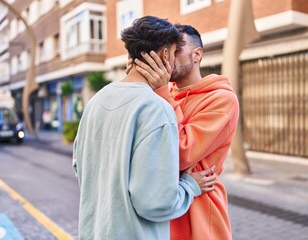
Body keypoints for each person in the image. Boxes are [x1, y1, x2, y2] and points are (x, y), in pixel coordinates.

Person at [72, 17, 216, 240]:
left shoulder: (96, 101)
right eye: (174, 52)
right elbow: (154, 202)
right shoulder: (156, 108)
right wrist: (189, 186)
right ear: (166, 55)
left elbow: (79, 166)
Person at [132, 24, 239, 240]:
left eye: (177, 51)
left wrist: (161, 93)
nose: (168, 59)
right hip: (165, 205)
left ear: (197, 54)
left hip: (199, 210)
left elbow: (180, 153)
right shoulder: (164, 94)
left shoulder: (221, 99)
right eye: (167, 51)